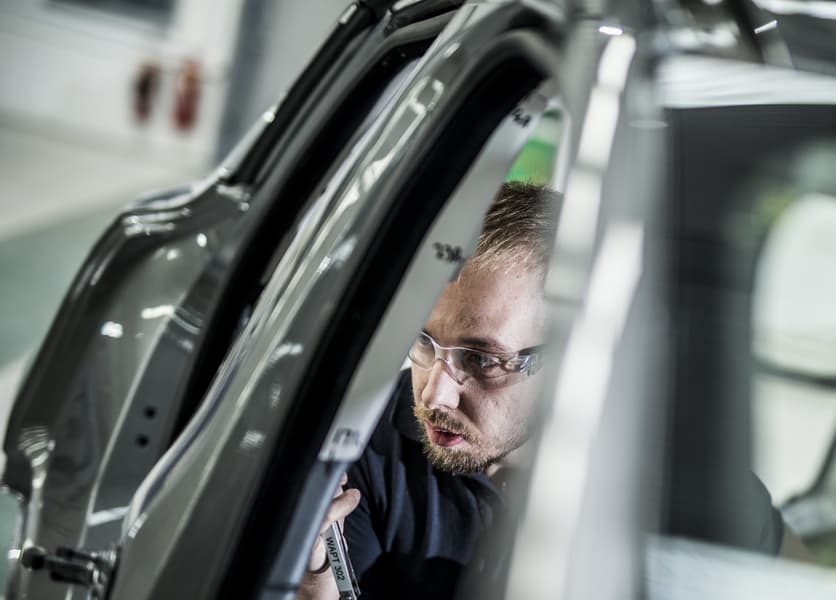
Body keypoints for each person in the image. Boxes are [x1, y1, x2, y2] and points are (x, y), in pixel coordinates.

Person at [296, 181, 790, 600]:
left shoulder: (698, 499)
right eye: (424, 343)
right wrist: (316, 581)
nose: (432, 396)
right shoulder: (361, 436)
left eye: (483, 360)